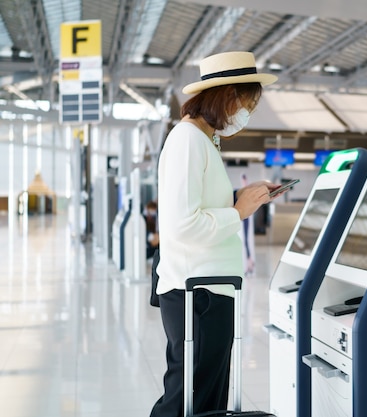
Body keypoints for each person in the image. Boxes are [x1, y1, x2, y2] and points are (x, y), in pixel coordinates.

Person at [150, 51, 282, 417]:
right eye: (245, 102)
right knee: (185, 400)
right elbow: (182, 224)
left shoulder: (203, 141)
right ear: (226, 96)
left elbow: (200, 205)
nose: (245, 113)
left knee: (205, 401)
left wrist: (241, 198)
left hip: (209, 291)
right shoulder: (188, 140)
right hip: (199, 295)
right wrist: (238, 211)